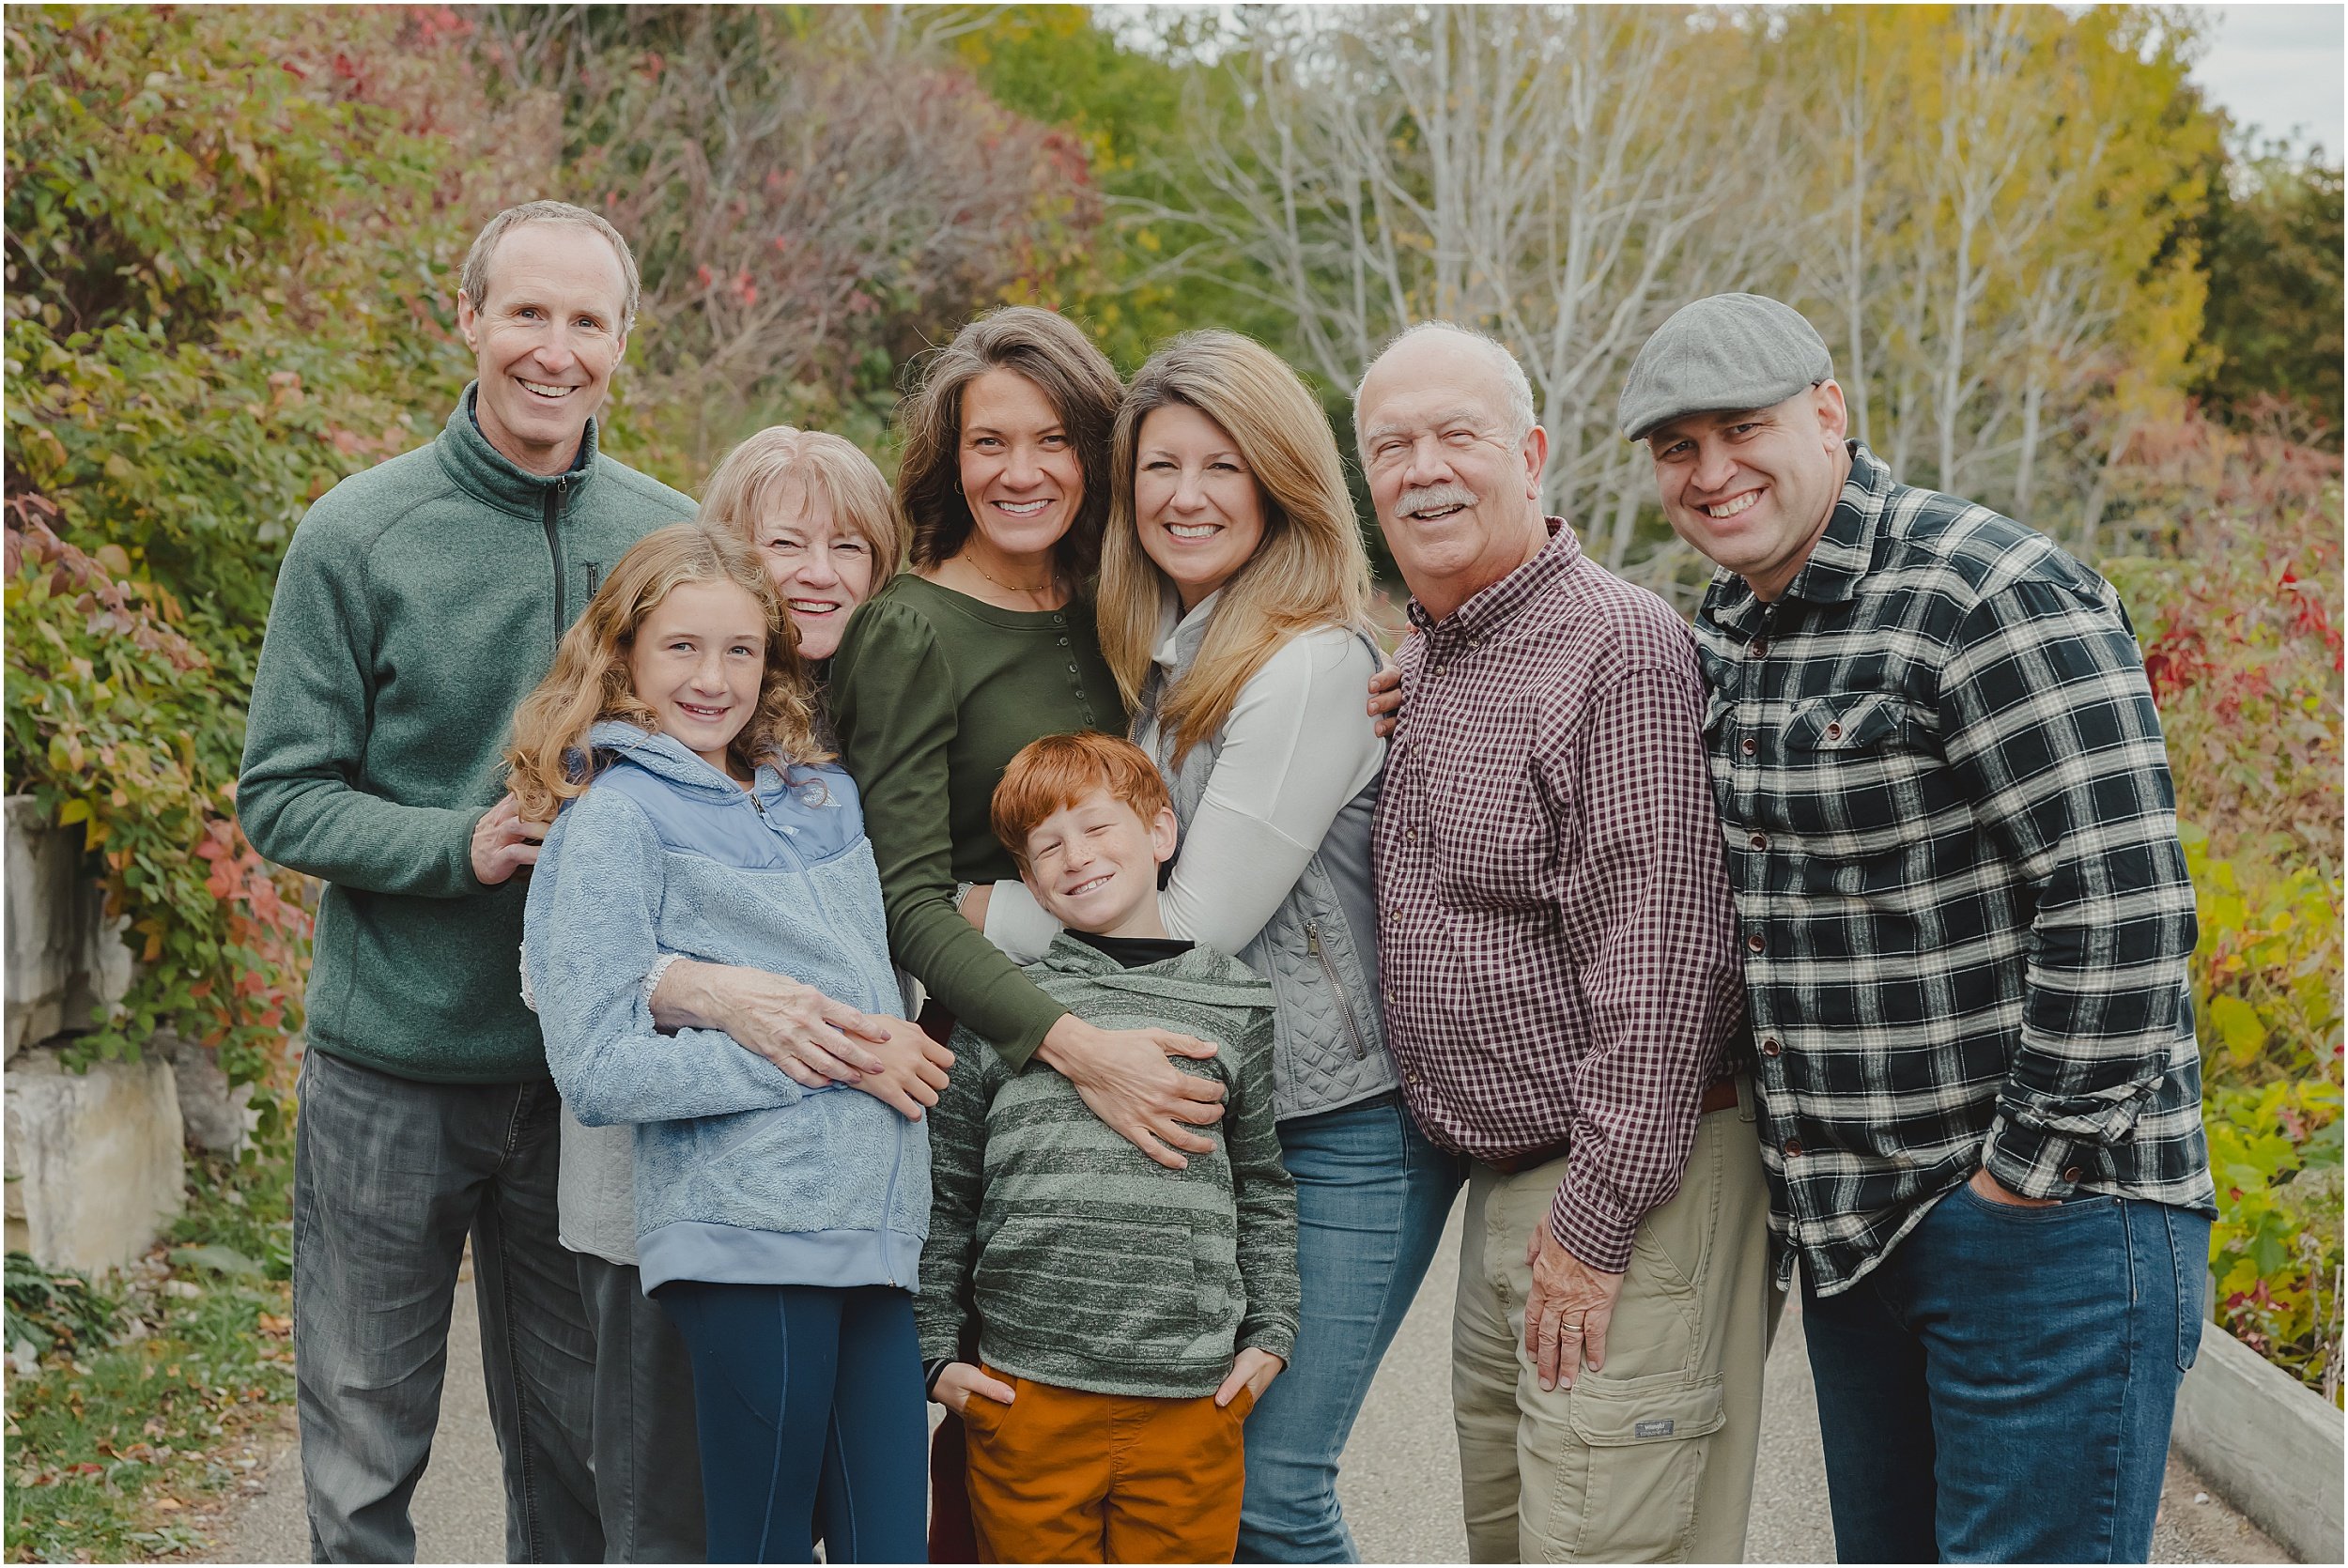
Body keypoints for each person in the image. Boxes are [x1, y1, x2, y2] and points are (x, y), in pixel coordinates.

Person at [1619, 291, 2217, 1563]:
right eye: (1679, 447)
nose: (1713, 472)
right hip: (1862, 1234)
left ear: (1829, 412)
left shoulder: (1987, 591)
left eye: (1742, 428)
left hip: (2049, 1224)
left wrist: (2015, 1181)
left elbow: (2124, 907)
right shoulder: (1735, 630)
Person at [239, 199, 694, 1563]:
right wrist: (463, 843)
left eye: (586, 321)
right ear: (469, 320)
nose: (554, 349)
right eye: (527, 313)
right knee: (366, 1437)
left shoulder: (668, 538)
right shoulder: (359, 531)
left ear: (624, 340)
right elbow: (281, 792)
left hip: (588, 1076)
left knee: (578, 1446)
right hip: (394, 1065)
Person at [983, 329, 1458, 1561]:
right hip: (1218, 1129)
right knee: (1195, 1481)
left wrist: (968, 916)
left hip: (1343, 1131)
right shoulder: (1170, 654)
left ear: (1278, 481)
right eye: (1160, 466)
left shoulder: (1306, 662)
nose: (1185, 496)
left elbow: (1184, 927)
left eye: (1222, 466)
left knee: (1271, 1490)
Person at [1354, 321, 1773, 1564]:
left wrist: (1596, 1224)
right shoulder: (1437, 652)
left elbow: (1669, 961)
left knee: (1606, 1543)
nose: (1424, 467)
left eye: (1457, 435)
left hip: (1636, 1172)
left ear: (1531, 454)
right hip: (1510, 1178)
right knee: (1515, 1541)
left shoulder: (1618, 649)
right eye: (1391, 445)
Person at [826, 305, 1224, 1556]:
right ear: (948, 460)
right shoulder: (910, 628)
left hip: (1147, 1032)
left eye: (1053, 438)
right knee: (1000, 1432)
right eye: (988, 441)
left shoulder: (1121, 598)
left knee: (1138, 1427)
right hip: (998, 1055)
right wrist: (1069, 1043)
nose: (1020, 470)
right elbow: (899, 894)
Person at [515, 523, 941, 1564]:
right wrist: (825, 1053)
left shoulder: (821, 795)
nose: (714, 678)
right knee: (758, 1547)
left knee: (894, 1547)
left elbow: (863, 979)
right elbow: (598, 1063)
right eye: (682, 648)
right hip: (748, 1230)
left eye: (741, 650)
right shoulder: (613, 816)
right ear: (622, 657)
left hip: (872, 1227)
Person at [918, 730, 1299, 1564]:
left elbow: (1264, 1183)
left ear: (1160, 834)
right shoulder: (1010, 1006)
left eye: (1096, 828)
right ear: (1028, 880)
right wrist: (934, 1350)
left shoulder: (1237, 1004)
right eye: (1046, 845)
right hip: (1028, 1392)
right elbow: (948, 1190)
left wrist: (1270, 1332)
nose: (1075, 856)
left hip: (1190, 1397)